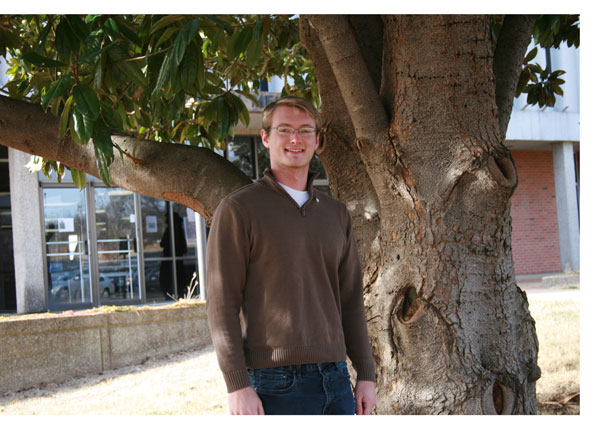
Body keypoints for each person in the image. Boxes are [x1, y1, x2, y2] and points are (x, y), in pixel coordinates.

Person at [206, 96, 376, 415]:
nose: (295, 139)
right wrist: (237, 385)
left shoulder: (336, 214)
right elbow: (221, 302)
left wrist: (365, 373)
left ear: (316, 139)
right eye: (284, 130)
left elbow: (352, 299)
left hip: (337, 378)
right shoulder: (239, 209)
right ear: (266, 137)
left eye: (305, 131)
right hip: (273, 382)